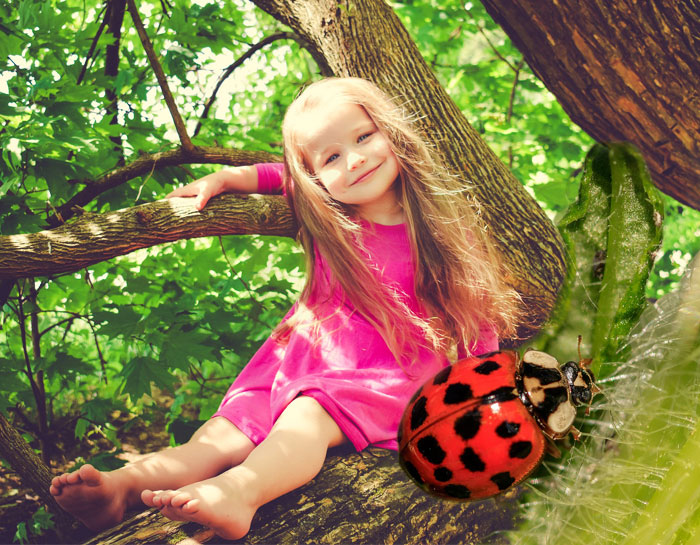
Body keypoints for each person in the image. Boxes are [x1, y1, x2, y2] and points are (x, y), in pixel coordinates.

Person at [49, 77, 522, 539]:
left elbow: (474, 316)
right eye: (332, 156)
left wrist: (487, 395)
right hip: (297, 360)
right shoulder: (329, 215)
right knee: (223, 431)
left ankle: (241, 492)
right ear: (316, 178)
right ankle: (123, 488)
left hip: (387, 375)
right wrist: (227, 177)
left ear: (390, 132)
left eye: (363, 137)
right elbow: (279, 175)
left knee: (308, 416)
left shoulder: (442, 229)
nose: (354, 160)